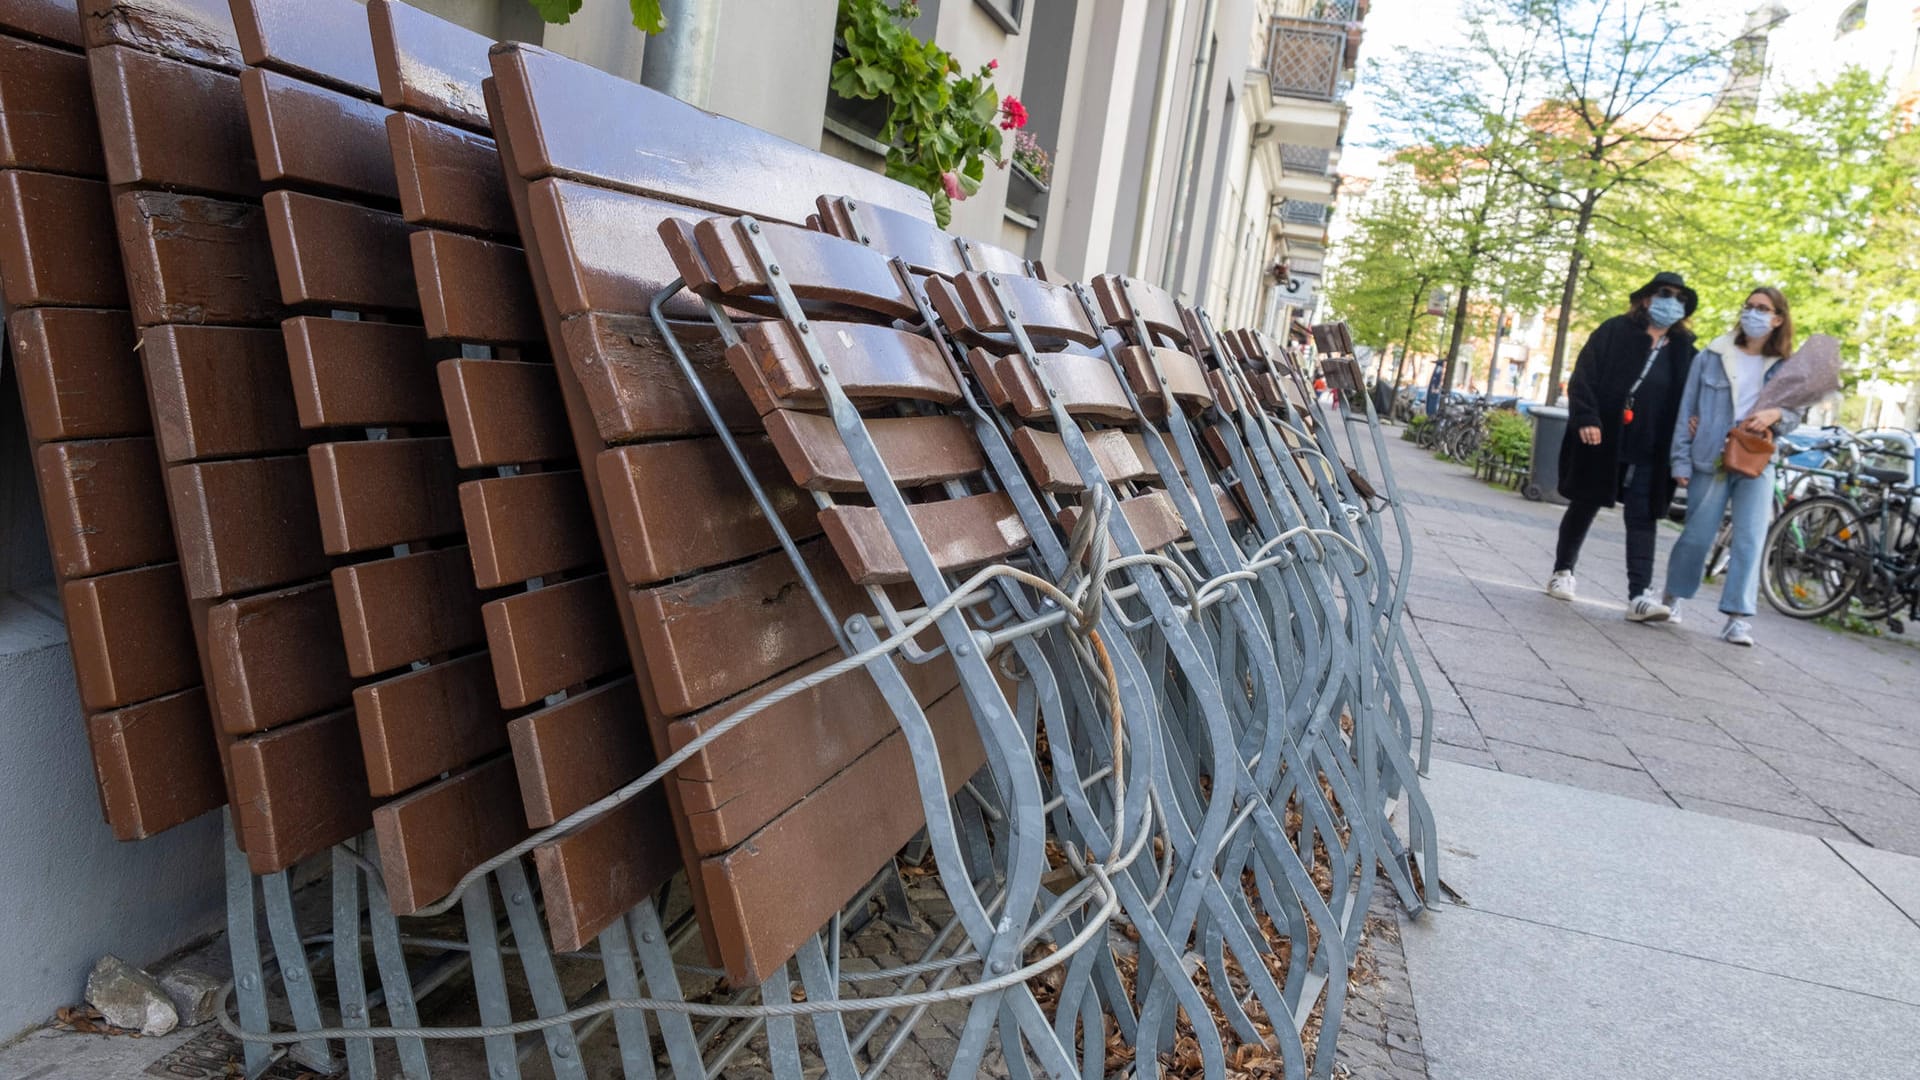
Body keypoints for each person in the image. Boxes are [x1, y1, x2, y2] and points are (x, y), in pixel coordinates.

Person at [1546, 271, 1699, 620]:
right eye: (1665, 293)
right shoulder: (1614, 331)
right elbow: (1584, 375)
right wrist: (1586, 417)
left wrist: (1694, 424)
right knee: (1585, 502)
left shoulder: (1684, 351)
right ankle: (1562, 572)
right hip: (1604, 436)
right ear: (1646, 298)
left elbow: (1693, 397)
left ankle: (1638, 595)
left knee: (1643, 516)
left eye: (1680, 298)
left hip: (1651, 445)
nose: (1671, 302)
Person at [1661, 287, 1799, 646]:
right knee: (1697, 534)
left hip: (1757, 458)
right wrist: (1681, 458)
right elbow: (1686, 411)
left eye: (1763, 309)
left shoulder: (1786, 365)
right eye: (1749, 307)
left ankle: (1738, 617)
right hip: (1711, 454)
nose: (1753, 313)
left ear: (1778, 319)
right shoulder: (1713, 354)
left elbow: (1798, 412)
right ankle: (1673, 597)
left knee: (1751, 539)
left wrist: (1776, 414)